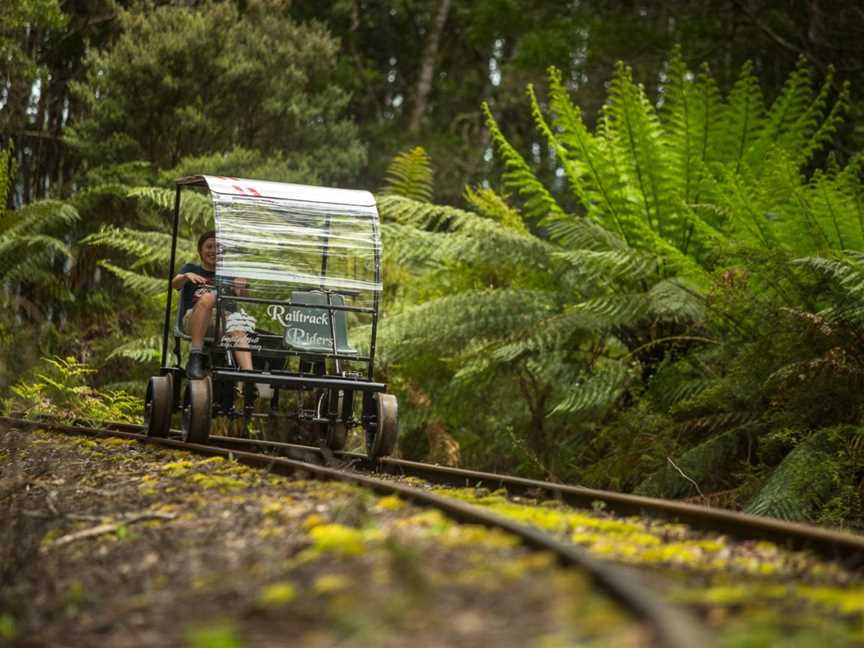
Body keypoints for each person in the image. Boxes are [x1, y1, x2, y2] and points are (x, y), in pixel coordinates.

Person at [172, 230, 255, 379]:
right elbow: (175, 283)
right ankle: (195, 356)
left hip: (224, 321)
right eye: (209, 247)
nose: (213, 251)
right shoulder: (191, 269)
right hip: (194, 318)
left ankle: (248, 377)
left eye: (217, 247)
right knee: (208, 298)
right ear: (200, 250)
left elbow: (243, 296)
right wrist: (185, 277)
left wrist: (242, 284)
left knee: (237, 324)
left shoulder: (229, 275)